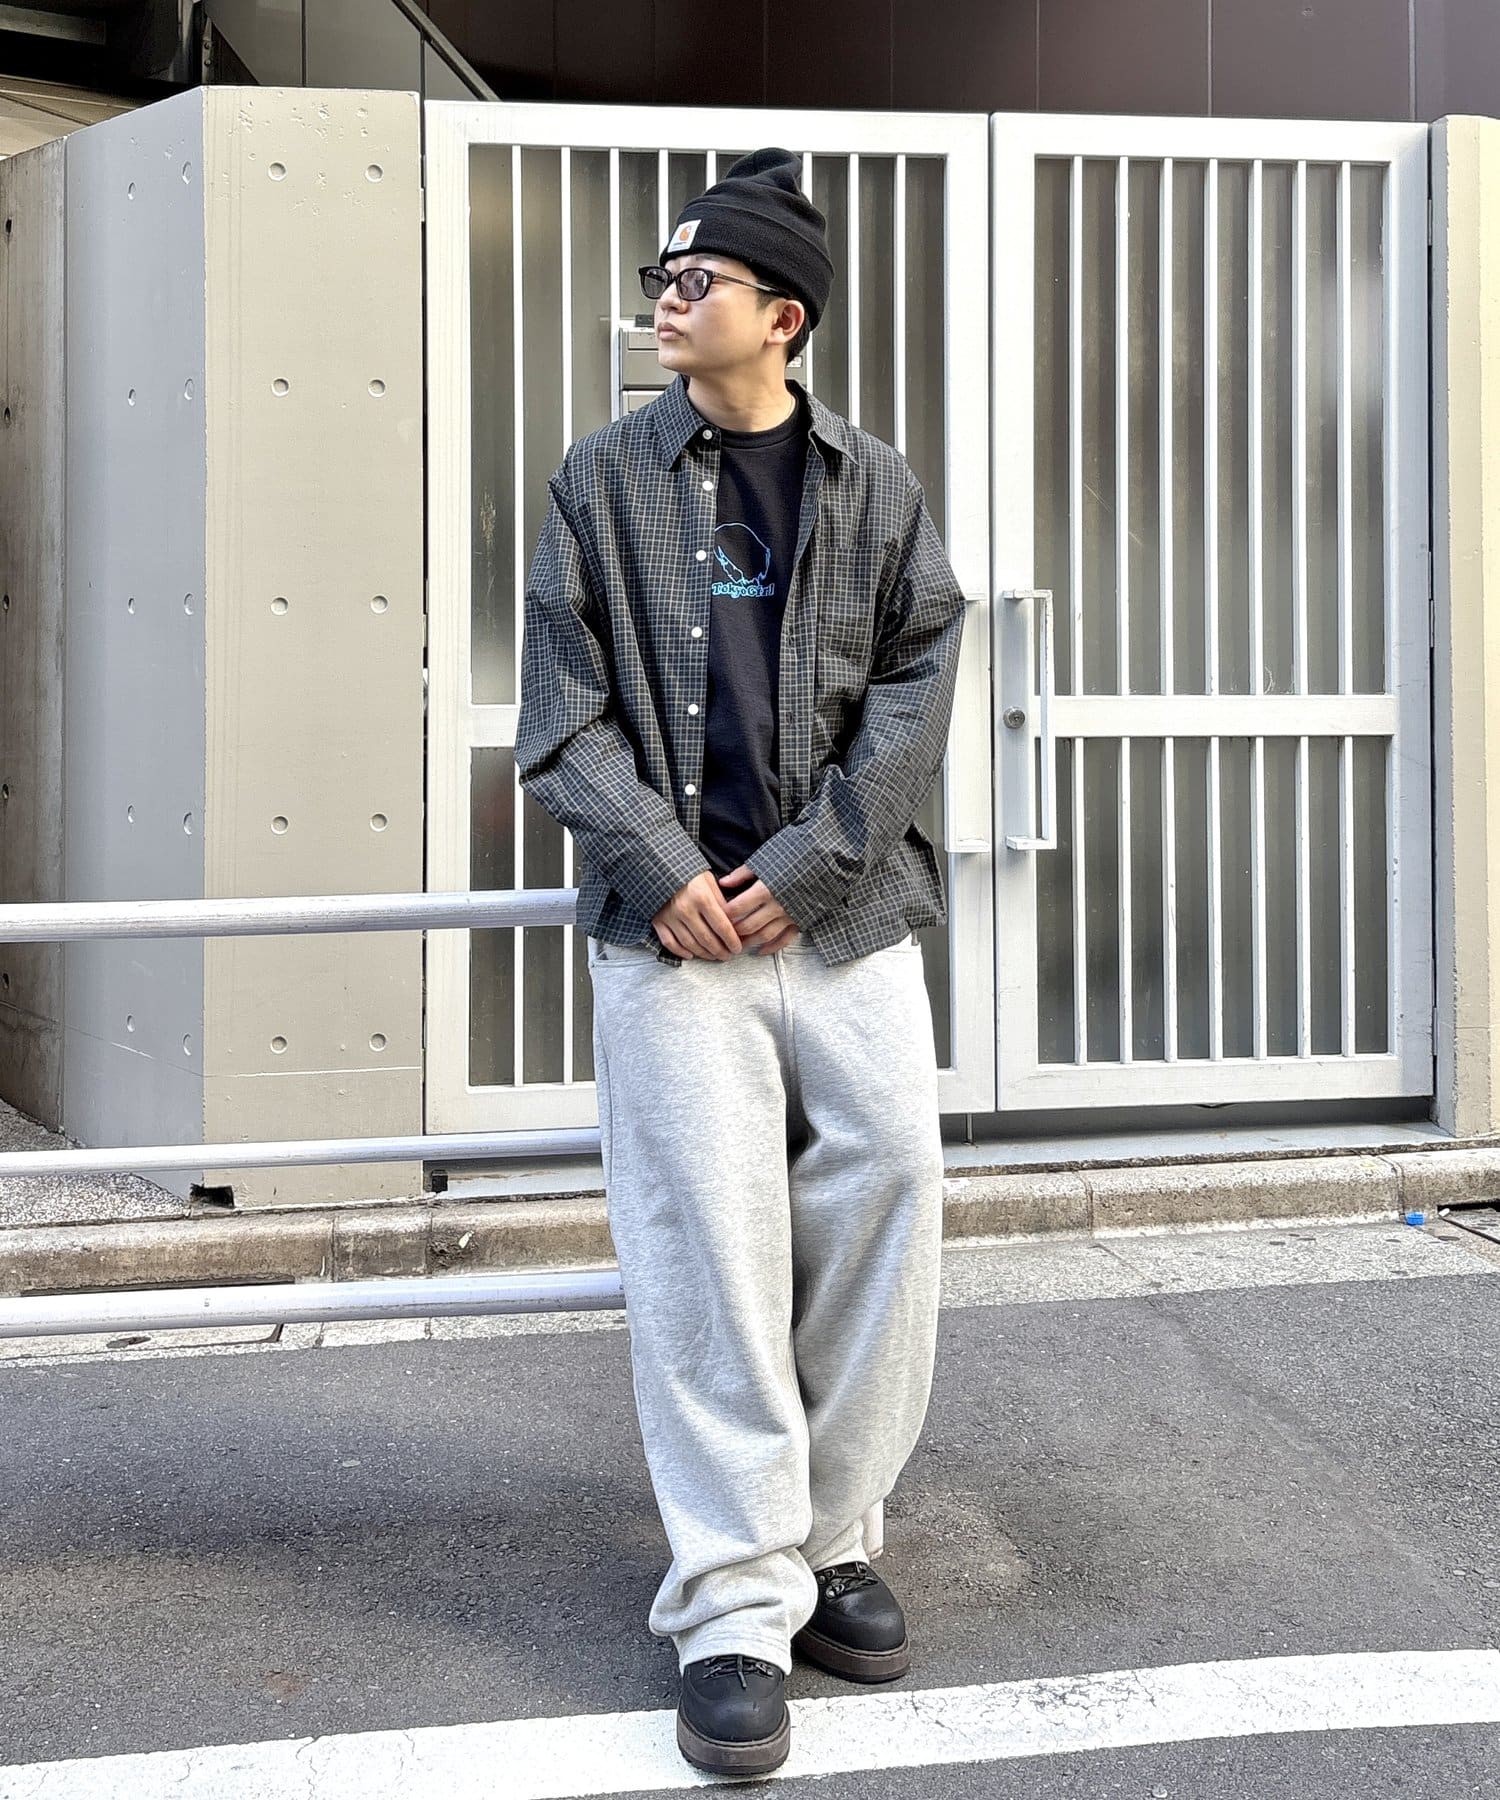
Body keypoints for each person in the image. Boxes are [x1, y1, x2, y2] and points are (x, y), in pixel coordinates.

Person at [515, 146, 966, 1778]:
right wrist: (663, 866)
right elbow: (558, 714)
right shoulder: (599, 480)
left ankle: (828, 1535)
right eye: (663, 275)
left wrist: (800, 865)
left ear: (784, 317)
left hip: (841, 917)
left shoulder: (876, 484)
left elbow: (919, 680)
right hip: (673, 933)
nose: (665, 297)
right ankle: (729, 1608)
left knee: (892, 1184)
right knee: (706, 1242)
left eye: (696, 279)